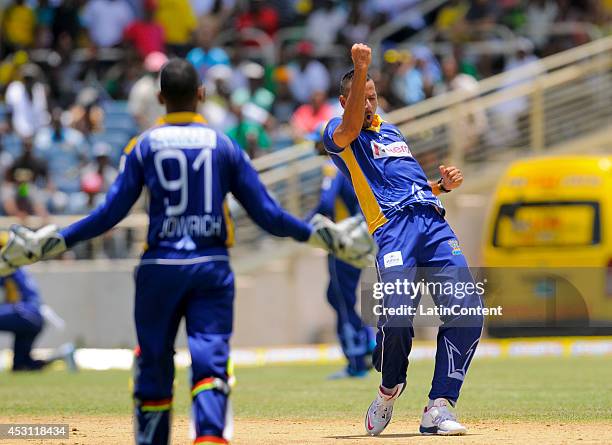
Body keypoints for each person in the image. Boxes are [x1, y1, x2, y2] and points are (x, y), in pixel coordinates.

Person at [1, 59, 372, 445]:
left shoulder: (142, 145)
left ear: (160, 98)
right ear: (201, 95)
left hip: (158, 267)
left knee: (154, 361)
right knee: (210, 361)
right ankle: (209, 437)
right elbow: (268, 214)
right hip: (211, 268)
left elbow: (108, 214)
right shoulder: (223, 145)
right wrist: (322, 237)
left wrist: (55, 241)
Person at [322, 44, 483, 436]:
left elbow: (407, 184)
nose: (371, 104)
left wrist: (438, 186)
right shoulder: (337, 133)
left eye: (375, 97)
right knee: (396, 321)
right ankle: (388, 389)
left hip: (431, 222)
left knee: (468, 311)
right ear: (346, 99)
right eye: (363, 96)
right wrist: (361, 68)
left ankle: (439, 407)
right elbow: (347, 129)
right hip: (393, 232)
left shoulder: (392, 132)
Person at [309, 124, 373, 379]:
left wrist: (302, 226)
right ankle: (368, 340)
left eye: (316, 141)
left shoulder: (331, 165)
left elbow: (325, 203)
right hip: (358, 236)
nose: (314, 146)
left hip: (344, 239)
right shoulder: (351, 162)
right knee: (337, 296)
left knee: (341, 298)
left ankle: (356, 362)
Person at [0, 232, 75, 371]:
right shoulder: (17, 264)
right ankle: (62, 355)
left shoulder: (6, 265)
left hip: (23, 312)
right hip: (34, 316)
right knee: (21, 366)